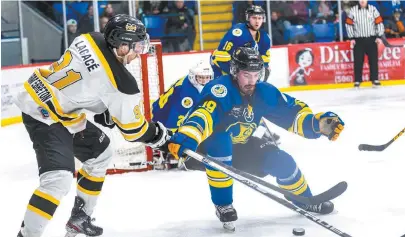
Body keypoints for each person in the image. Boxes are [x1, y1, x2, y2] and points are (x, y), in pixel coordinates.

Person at [13, 14, 170, 237]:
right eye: (137, 46)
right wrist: (160, 136)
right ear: (122, 46)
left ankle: (81, 216)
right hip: (43, 113)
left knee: (101, 152)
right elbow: (134, 131)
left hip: (52, 101)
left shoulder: (89, 38)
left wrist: (103, 107)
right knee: (59, 179)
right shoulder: (122, 84)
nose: (139, 53)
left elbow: (87, 81)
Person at [166, 47, 345, 231]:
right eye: (246, 75)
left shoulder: (264, 92)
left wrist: (315, 124)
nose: (252, 81)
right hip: (209, 149)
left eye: (256, 75)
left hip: (242, 147)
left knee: (282, 160)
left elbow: (290, 113)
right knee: (221, 143)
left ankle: (306, 200)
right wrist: (188, 136)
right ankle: (223, 204)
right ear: (235, 72)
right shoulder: (221, 89)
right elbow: (205, 115)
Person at [210, 5, 271, 80]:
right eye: (254, 18)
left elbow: (264, 59)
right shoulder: (237, 33)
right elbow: (220, 56)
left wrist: (259, 73)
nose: (257, 21)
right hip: (221, 68)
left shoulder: (265, 38)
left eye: (259, 18)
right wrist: (236, 74)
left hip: (243, 69)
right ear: (248, 18)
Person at [345, 0, 384, 88]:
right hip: (358, 40)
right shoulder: (353, 10)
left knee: (373, 60)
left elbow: (379, 23)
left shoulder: (373, 9)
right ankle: (357, 80)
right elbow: (348, 24)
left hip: (371, 39)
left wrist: (379, 36)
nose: (362, 1)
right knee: (358, 61)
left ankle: (375, 79)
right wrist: (351, 38)